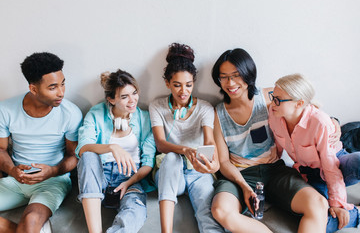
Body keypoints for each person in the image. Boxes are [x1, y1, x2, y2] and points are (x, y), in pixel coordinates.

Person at [210, 48, 332, 233]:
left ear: (248, 74)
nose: (231, 83)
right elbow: (223, 161)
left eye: (236, 75)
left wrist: (334, 123)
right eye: (224, 77)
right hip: (240, 175)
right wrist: (243, 186)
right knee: (220, 210)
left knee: (318, 203)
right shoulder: (217, 114)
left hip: (274, 170)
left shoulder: (268, 97)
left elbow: (307, 108)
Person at [0, 52, 82, 233]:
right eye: (53, 87)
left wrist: (53, 171)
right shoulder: (5, 110)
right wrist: (12, 170)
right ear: (33, 89)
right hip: (15, 179)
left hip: (53, 181)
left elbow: (74, 155)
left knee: (30, 221)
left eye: (63, 84)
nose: (61, 92)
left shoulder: (70, 113)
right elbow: (1, 150)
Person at [268, 73, 360, 232]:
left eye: (277, 99)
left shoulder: (319, 122)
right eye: (272, 97)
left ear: (299, 103)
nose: (272, 103)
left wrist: (337, 203)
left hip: (335, 162)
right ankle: (357, 213)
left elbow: (330, 167)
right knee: (318, 221)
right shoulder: (274, 112)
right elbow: (277, 148)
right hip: (311, 173)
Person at [149, 43, 224, 233]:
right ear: (167, 83)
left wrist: (211, 163)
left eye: (189, 85)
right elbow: (160, 143)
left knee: (205, 212)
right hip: (170, 172)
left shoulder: (205, 108)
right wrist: (184, 150)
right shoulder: (157, 106)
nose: (183, 91)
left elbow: (209, 142)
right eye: (177, 85)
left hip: (197, 170)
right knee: (172, 158)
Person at [76, 70, 156, 233]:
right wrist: (112, 147)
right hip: (100, 179)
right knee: (89, 156)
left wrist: (129, 182)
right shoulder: (96, 114)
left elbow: (148, 163)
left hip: (131, 178)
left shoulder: (145, 119)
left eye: (134, 93)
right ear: (111, 99)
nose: (132, 100)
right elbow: (82, 148)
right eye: (124, 96)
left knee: (135, 213)